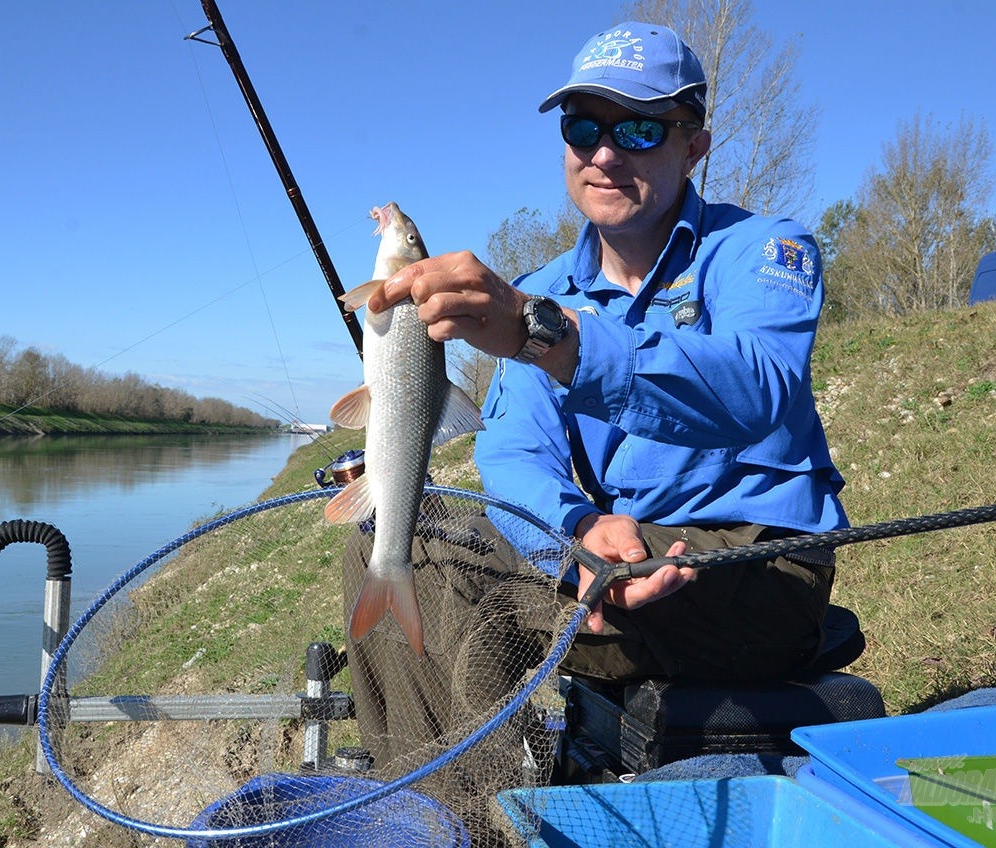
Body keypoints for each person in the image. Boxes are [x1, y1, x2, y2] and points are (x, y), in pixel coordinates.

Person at [340, 18, 847, 791]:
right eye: (585, 128)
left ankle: (488, 807)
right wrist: (571, 533)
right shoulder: (545, 286)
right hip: (604, 555)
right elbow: (511, 450)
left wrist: (549, 336)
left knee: (481, 606)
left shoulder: (764, 251)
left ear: (694, 145)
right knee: (392, 544)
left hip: (755, 561)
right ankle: (452, 815)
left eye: (640, 128)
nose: (605, 153)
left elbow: (762, 388)